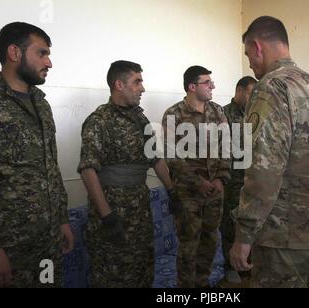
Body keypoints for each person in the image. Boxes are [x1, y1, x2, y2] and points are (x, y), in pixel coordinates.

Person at [230, 16, 309, 288]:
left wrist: (243, 236)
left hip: (283, 236)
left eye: (248, 55)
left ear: (257, 46)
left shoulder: (270, 88)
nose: (250, 64)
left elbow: (263, 171)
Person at [0, 22, 74, 288]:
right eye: (42, 53)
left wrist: (62, 219)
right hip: (8, 250)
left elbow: (51, 166)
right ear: (14, 53)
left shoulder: (41, 103)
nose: (49, 62)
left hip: (49, 243)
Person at [78, 60, 177, 288]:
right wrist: (107, 216)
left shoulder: (139, 119)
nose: (142, 88)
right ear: (119, 84)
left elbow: (155, 158)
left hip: (139, 212)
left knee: (142, 268)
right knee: (113, 274)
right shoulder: (99, 121)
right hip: (114, 213)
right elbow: (88, 170)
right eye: (137, 82)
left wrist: (172, 190)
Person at [162, 66, 231, 288]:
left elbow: (228, 147)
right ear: (192, 86)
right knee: (189, 245)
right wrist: (196, 182)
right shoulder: (174, 114)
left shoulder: (218, 112)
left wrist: (221, 178)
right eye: (207, 82)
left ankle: (203, 285)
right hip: (188, 192)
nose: (213, 86)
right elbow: (170, 154)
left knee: (210, 241)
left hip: (215, 191)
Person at [221, 76, 256, 284]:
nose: (254, 98)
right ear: (240, 90)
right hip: (232, 179)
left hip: (251, 179)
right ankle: (229, 265)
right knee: (230, 222)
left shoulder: (255, 114)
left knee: (251, 220)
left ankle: (249, 261)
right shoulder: (223, 114)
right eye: (251, 93)